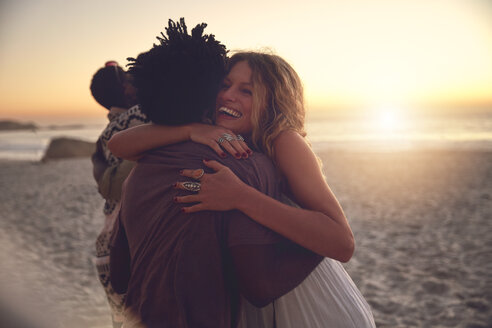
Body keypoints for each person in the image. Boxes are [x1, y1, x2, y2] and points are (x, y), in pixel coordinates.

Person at [109, 52, 376, 327]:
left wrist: (241, 197)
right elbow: (118, 145)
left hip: (308, 304)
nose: (228, 95)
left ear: (272, 101)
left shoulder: (283, 141)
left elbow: (343, 242)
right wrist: (190, 130)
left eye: (246, 91)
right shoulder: (211, 129)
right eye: (225, 85)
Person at [89, 60, 149, 327]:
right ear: (126, 89)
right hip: (126, 245)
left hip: (109, 245)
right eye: (129, 77)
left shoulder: (106, 133)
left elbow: (107, 185)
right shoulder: (142, 116)